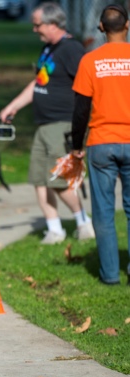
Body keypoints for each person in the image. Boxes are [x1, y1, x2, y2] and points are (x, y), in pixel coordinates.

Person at [0, 2, 95, 244]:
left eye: (37, 25)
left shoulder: (72, 50)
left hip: (61, 124)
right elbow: (38, 83)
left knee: (58, 180)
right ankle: (55, 229)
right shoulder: (48, 50)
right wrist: (13, 106)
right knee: (40, 181)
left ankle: (83, 222)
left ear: (53, 25)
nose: (34, 29)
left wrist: (85, 123)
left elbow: (88, 85)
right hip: (43, 125)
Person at [71, 4, 130, 285]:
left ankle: (109, 275)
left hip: (100, 143)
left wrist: (75, 146)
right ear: (127, 26)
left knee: (104, 212)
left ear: (101, 28)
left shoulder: (90, 60)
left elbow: (81, 109)